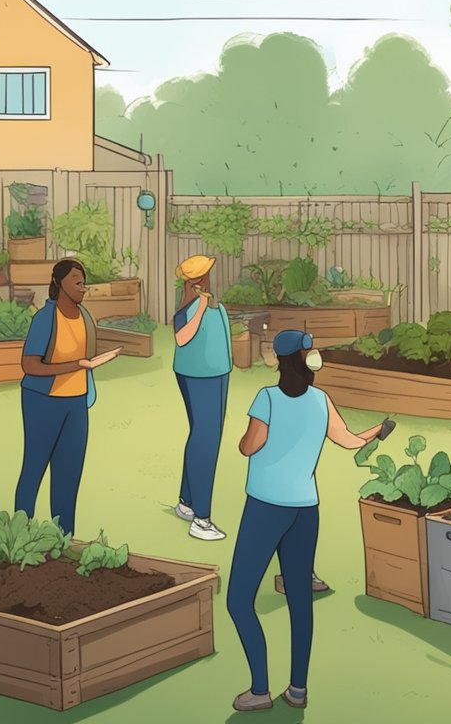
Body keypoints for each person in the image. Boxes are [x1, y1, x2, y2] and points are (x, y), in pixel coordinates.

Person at [228, 330, 390, 712]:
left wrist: (257, 435)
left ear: (280, 361)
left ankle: (259, 689)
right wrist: (378, 431)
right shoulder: (321, 400)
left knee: (238, 600)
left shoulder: (266, 399)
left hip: (267, 507)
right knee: (300, 599)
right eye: (308, 349)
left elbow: (248, 446)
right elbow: (349, 440)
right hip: (305, 508)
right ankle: (297, 690)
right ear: (301, 358)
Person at [14, 260, 121, 537]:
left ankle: (64, 537)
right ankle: (19, 532)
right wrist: (76, 365)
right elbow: (30, 365)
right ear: (59, 283)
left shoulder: (85, 316)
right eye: (76, 281)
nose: (82, 287)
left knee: (69, 473)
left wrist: (89, 364)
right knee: (34, 466)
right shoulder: (45, 318)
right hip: (42, 401)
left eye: (83, 281)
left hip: (76, 403)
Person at [172, 255, 232, 541]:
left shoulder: (211, 303)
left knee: (202, 435)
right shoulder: (190, 307)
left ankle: (187, 501)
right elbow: (182, 338)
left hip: (217, 373)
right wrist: (200, 306)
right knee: (206, 441)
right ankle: (202, 519)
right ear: (199, 280)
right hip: (200, 375)